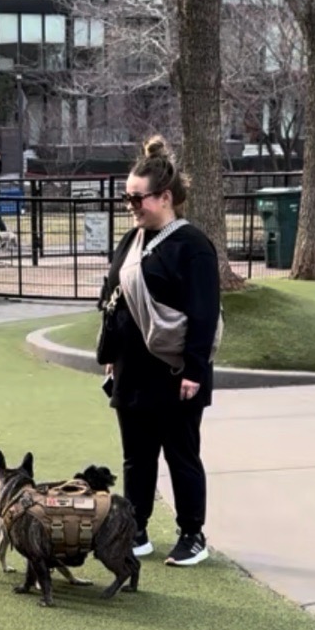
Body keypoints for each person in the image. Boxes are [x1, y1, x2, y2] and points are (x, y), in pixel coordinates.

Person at [96, 135, 221, 568]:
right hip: (132, 370)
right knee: (137, 455)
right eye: (127, 198)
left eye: (137, 198)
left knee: (181, 453)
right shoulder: (132, 240)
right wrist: (111, 353)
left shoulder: (192, 245)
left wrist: (194, 370)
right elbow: (112, 297)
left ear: (164, 197)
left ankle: (192, 534)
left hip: (174, 372)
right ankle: (137, 529)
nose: (130, 206)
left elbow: (204, 314)